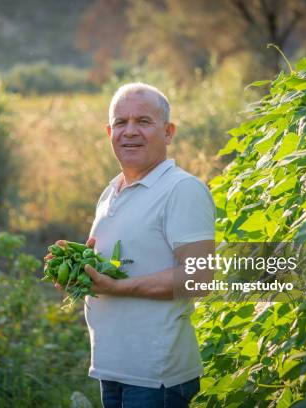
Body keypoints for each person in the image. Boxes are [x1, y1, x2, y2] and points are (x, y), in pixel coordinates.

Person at [56, 82, 215, 408]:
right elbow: (126, 263)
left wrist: (117, 287)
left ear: (168, 132)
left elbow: (198, 278)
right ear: (109, 132)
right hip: (112, 368)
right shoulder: (110, 192)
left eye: (143, 121)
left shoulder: (181, 190)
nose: (130, 131)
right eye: (121, 122)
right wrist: (80, 270)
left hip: (157, 377)